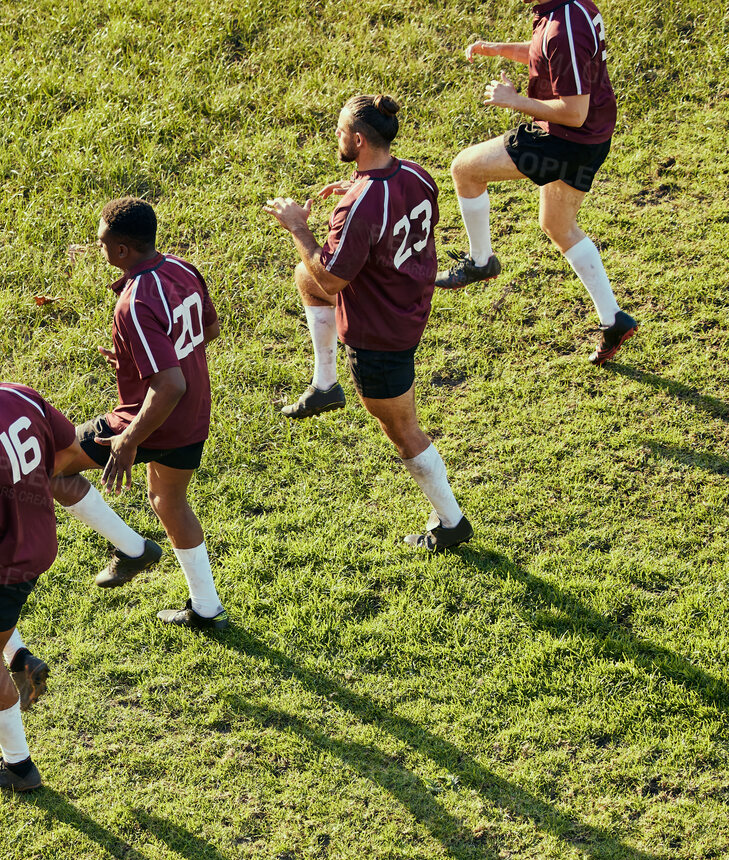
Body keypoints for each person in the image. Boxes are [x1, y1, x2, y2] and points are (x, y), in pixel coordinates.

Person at [0, 332, 152, 791]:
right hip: (39, 547)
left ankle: (17, 766)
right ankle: (22, 657)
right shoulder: (20, 395)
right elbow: (66, 454)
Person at [265, 95, 474, 552]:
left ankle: (451, 522)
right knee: (305, 279)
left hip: (380, 335)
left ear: (358, 140)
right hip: (408, 300)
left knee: (404, 433)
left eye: (340, 132)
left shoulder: (360, 206)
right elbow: (390, 211)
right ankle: (325, 386)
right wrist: (358, 188)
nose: (336, 138)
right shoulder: (417, 174)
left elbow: (334, 279)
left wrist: (298, 228)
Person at [49, 197, 228, 628]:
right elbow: (210, 329)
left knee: (47, 465)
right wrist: (135, 358)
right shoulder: (182, 268)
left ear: (123, 251)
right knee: (169, 501)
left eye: (102, 242)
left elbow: (169, 385)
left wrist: (129, 441)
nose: (99, 248)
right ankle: (207, 609)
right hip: (192, 418)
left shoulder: (132, 301)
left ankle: (132, 549)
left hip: (147, 420)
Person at [438, 1, 637, 364]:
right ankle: (614, 319)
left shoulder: (565, 28)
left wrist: (515, 101)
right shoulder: (568, 9)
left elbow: (574, 113)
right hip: (591, 140)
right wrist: (497, 49)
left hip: (564, 141)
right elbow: (544, 55)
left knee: (465, 169)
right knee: (557, 225)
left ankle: (481, 261)